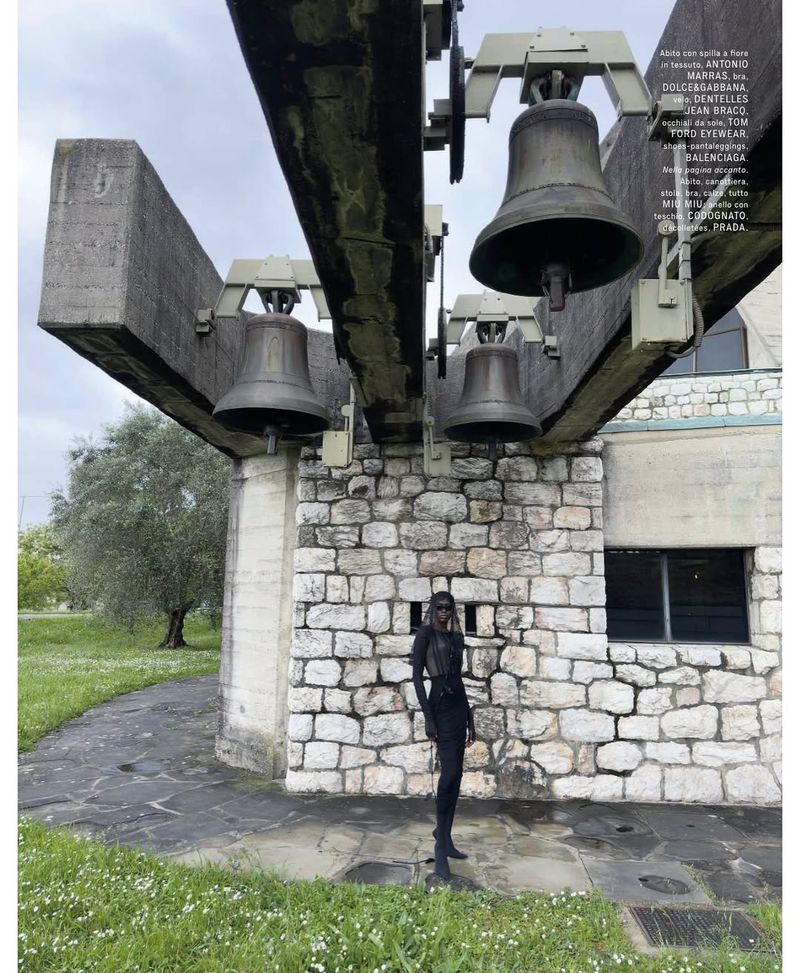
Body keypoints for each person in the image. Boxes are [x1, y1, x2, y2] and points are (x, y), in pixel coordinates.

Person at [411, 590, 475, 880]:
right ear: (433, 608)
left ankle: (445, 836)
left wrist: (470, 720)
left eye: (449, 607)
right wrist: (428, 716)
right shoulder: (425, 635)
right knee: (448, 773)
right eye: (440, 607)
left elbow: (459, 680)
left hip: (459, 707)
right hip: (439, 707)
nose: (444, 611)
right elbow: (417, 678)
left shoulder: (456, 638)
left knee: (457, 774)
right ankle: (439, 847)